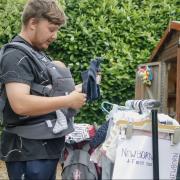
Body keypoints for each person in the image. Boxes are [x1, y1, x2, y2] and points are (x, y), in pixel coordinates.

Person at [0, 0, 87, 179]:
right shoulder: (16, 55)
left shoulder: (36, 54)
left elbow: (45, 92)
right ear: (33, 23)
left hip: (43, 149)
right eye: (51, 29)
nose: (55, 36)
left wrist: (77, 91)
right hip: (28, 151)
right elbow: (20, 104)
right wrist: (68, 100)